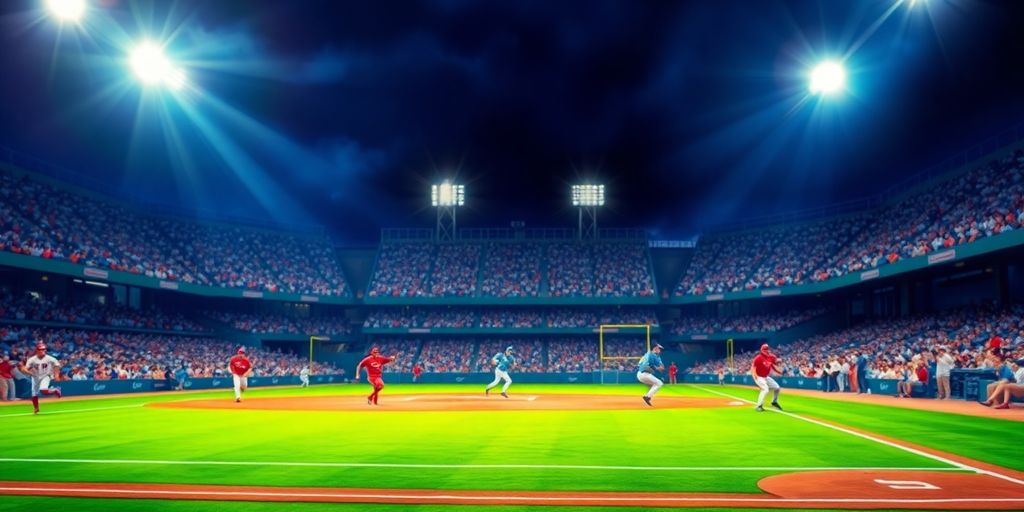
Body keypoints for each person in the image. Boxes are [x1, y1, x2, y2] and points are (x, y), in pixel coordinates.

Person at [18, 343, 61, 415]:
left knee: (43, 390)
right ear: (37, 350)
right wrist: (26, 371)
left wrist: (56, 375)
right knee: (34, 394)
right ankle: (36, 408)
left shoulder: (50, 358)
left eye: (43, 349)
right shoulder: (32, 359)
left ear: (45, 350)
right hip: (35, 377)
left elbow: (57, 365)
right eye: (40, 349)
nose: (41, 351)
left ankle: (55, 390)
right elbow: (25, 368)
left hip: (46, 375)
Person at [751, 343, 782, 412]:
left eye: (766, 349)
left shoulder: (771, 357)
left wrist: (778, 370)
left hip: (765, 377)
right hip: (758, 376)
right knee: (765, 389)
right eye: (764, 350)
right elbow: (753, 367)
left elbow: (773, 364)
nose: (765, 351)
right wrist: (754, 375)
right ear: (761, 350)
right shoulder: (758, 358)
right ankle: (759, 406)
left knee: (777, 388)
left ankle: (774, 402)